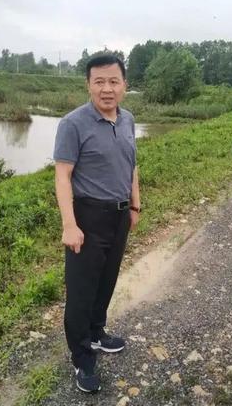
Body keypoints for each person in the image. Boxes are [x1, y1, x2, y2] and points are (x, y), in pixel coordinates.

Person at [53, 54, 141, 393]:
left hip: (119, 215)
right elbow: (63, 177)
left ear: (124, 85)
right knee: (81, 290)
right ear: (89, 85)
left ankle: (97, 332)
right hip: (87, 217)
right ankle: (81, 355)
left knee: (106, 280)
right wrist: (69, 224)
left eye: (114, 81)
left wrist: (135, 205)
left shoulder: (129, 119)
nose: (107, 89)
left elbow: (132, 165)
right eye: (99, 82)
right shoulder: (73, 124)